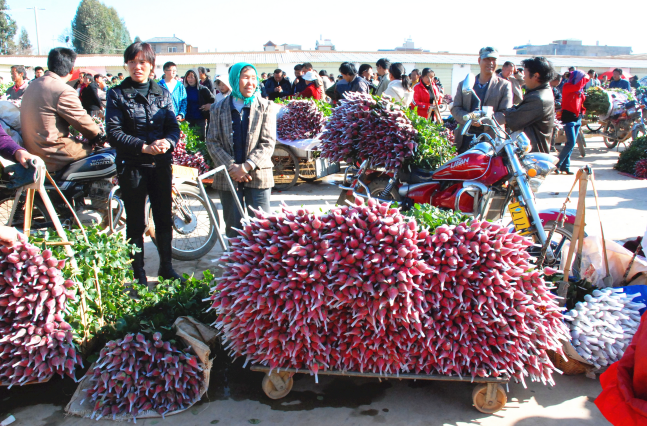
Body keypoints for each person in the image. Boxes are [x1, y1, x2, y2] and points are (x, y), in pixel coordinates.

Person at [106, 42, 182, 284]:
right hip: (132, 167)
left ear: (151, 65)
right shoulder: (117, 94)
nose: (137, 67)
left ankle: (166, 268)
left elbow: (173, 127)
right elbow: (113, 132)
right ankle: (138, 273)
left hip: (160, 166)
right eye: (132, 62)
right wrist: (143, 147)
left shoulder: (162, 93)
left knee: (163, 218)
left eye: (143, 62)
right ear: (127, 64)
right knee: (136, 223)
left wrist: (168, 143)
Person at [205, 62, 275, 239]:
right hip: (228, 176)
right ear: (235, 80)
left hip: (258, 174)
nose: (250, 82)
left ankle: (261, 266)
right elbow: (212, 142)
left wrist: (247, 166)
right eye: (245, 77)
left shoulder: (265, 106)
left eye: (253, 78)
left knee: (262, 228)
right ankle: (236, 265)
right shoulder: (218, 108)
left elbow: (268, 142)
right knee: (234, 229)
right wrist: (233, 167)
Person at [21, 48, 101, 172]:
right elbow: (82, 122)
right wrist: (100, 136)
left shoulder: (33, 84)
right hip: (52, 152)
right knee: (104, 157)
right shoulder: (62, 89)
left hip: (31, 149)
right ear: (71, 69)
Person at [451, 47, 513, 153]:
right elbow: (455, 108)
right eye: (487, 59)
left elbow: (505, 113)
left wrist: (483, 121)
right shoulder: (465, 84)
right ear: (479, 61)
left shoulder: (504, 85)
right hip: (465, 139)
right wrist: (469, 119)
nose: (491, 63)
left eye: (494, 59)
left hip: (491, 141)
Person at [499, 56, 557, 153]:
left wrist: (507, 110)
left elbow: (514, 121)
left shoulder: (537, 98)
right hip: (536, 150)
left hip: (532, 154)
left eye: (525, 74)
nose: (524, 77)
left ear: (536, 76)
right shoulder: (544, 91)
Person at [555, 70, 588, 174]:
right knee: (571, 142)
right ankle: (557, 164)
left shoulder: (580, 89)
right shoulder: (567, 86)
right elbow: (577, 87)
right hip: (568, 117)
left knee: (571, 144)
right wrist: (585, 78)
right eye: (581, 78)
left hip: (577, 118)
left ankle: (565, 166)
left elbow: (581, 101)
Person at [183, 68, 215, 139]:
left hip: (200, 118)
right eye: (188, 77)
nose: (190, 79)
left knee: (200, 139)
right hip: (187, 119)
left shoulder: (203, 89)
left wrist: (209, 106)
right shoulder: (183, 90)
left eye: (192, 77)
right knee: (188, 140)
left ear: (196, 78)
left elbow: (213, 100)